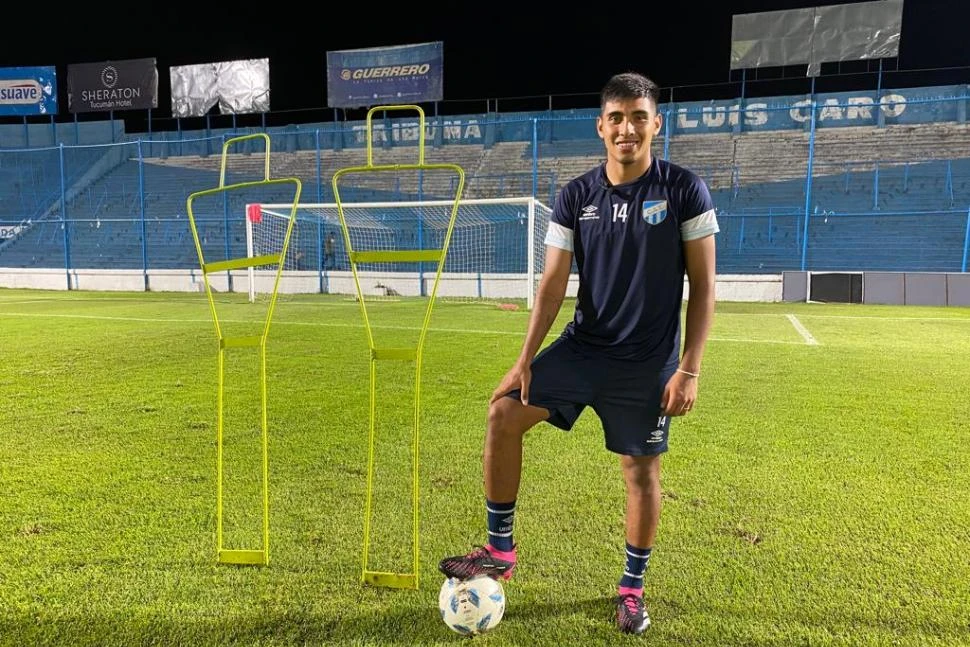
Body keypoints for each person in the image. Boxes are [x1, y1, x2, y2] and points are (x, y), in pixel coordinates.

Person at [438, 72, 718, 634]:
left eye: (639, 116)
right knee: (503, 413)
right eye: (616, 117)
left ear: (655, 124)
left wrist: (689, 368)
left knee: (640, 473)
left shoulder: (685, 190)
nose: (627, 128)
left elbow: (704, 286)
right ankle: (501, 552)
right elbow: (551, 286)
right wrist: (524, 360)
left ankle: (631, 589)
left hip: (647, 363)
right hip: (584, 349)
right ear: (601, 126)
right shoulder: (575, 196)